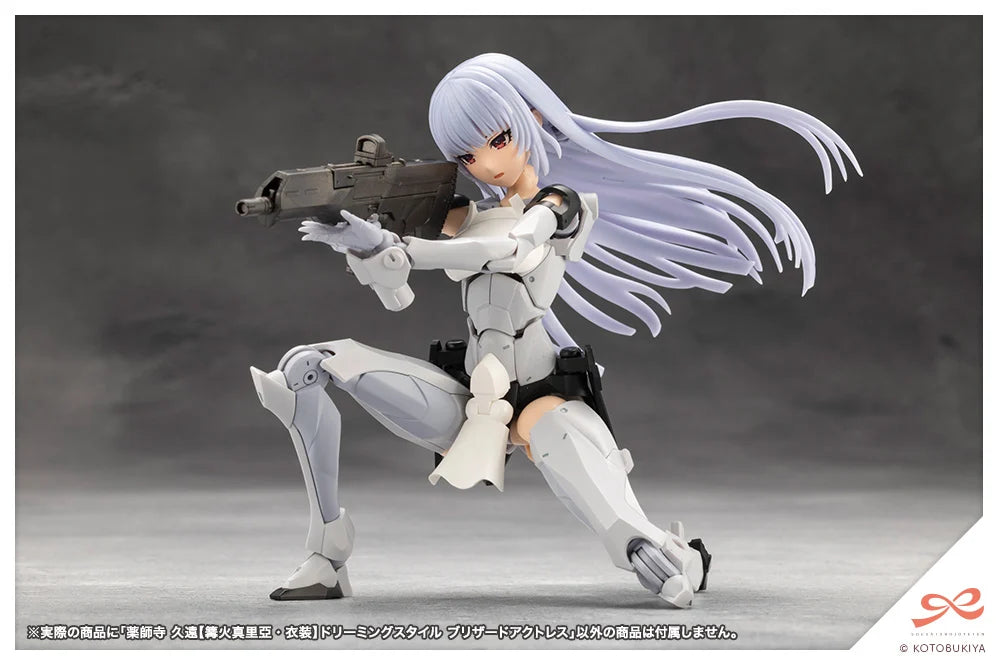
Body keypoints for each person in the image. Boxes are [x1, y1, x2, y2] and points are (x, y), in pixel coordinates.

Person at [250, 53, 861, 607]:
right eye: (468, 157)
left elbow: (513, 249)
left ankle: (661, 550)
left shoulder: (561, 205)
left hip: (543, 397)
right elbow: (398, 297)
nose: (486, 163)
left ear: (533, 120)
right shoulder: (463, 216)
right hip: (469, 398)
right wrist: (367, 246)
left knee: (610, 510)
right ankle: (326, 552)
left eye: (498, 140)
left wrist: (404, 249)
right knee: (310, 364)